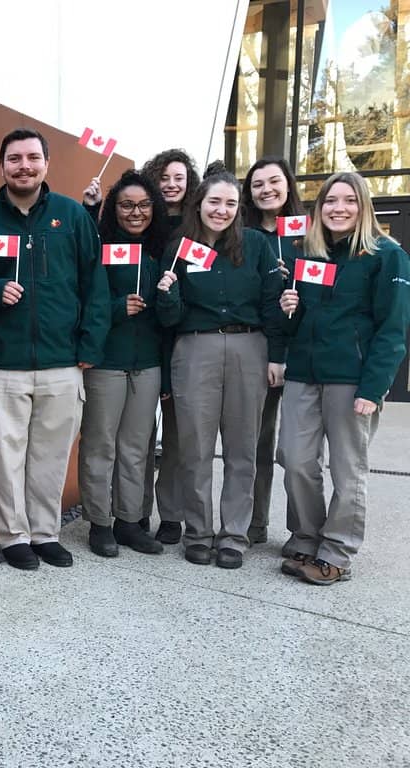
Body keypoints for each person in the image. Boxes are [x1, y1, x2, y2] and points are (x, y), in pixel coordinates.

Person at [0, 128, 111, 570]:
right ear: (2, 166)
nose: (24, 166)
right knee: (5, 457)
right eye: (14, 159)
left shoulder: (72, 218)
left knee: (51, 457)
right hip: (1, 366)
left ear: (46, 164)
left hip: (62, 363)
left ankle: (44, 533)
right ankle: (13, 537)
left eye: (32, 157)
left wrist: (90, 345)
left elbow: (96, 285)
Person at [277, 171, 410, 585]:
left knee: (348, 470)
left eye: (349, 200)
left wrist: (374, 387)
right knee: (296, 460)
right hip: (304, 373)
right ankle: (307, 536)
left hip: (351, 379)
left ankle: (336, 552)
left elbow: (394, 328)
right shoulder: (307, 252)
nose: (339, 208)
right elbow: (299, 322)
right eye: (330, 201)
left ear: (363, 206)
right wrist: (290, 306)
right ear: (319, 209)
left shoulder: (386, 255)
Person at [156, 169, 284, 569]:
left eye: (231, 203)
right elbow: (169, 318)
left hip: (250, 345)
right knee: (193, 447)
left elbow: (271, 302)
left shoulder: (258, 245)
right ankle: (197, 532)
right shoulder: (180, 246)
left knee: (243, 447)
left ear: (239, 208)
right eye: (214, 201)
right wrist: (167, 295)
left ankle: (234, 535)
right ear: (199, 203)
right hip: (196, 347)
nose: (222, 210)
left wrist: (276, 355)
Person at [79, 171, 169, 557]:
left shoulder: (161, 250)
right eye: (127, 205)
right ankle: (99, 523)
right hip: (107, 362)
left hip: (147, 364)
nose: (136, 212)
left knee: (136, 447)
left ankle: (129, 521)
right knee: (100, 445)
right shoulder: (100, 247)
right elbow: (85, 302)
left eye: (144, 205)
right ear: (114, 209)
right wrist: (118, 308)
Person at [137, 149, 201, 544]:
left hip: (182, 336)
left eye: (178, 177)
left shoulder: (198, 229)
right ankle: (135, 510)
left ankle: (172, 514)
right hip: (142, 334)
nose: (171, 184)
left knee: (177, 434)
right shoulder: (142, 222)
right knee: (140, 433)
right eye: (163, 178)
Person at [240, 157, 303, 546]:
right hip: (258, 351)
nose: (266, 189)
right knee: (256, 444)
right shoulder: (243, 235)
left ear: (288, 184)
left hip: (303, 355)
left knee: (297, 452)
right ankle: (253, 523)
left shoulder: (309, 234)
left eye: (274, 181)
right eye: (257, 184)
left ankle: (304, 531)